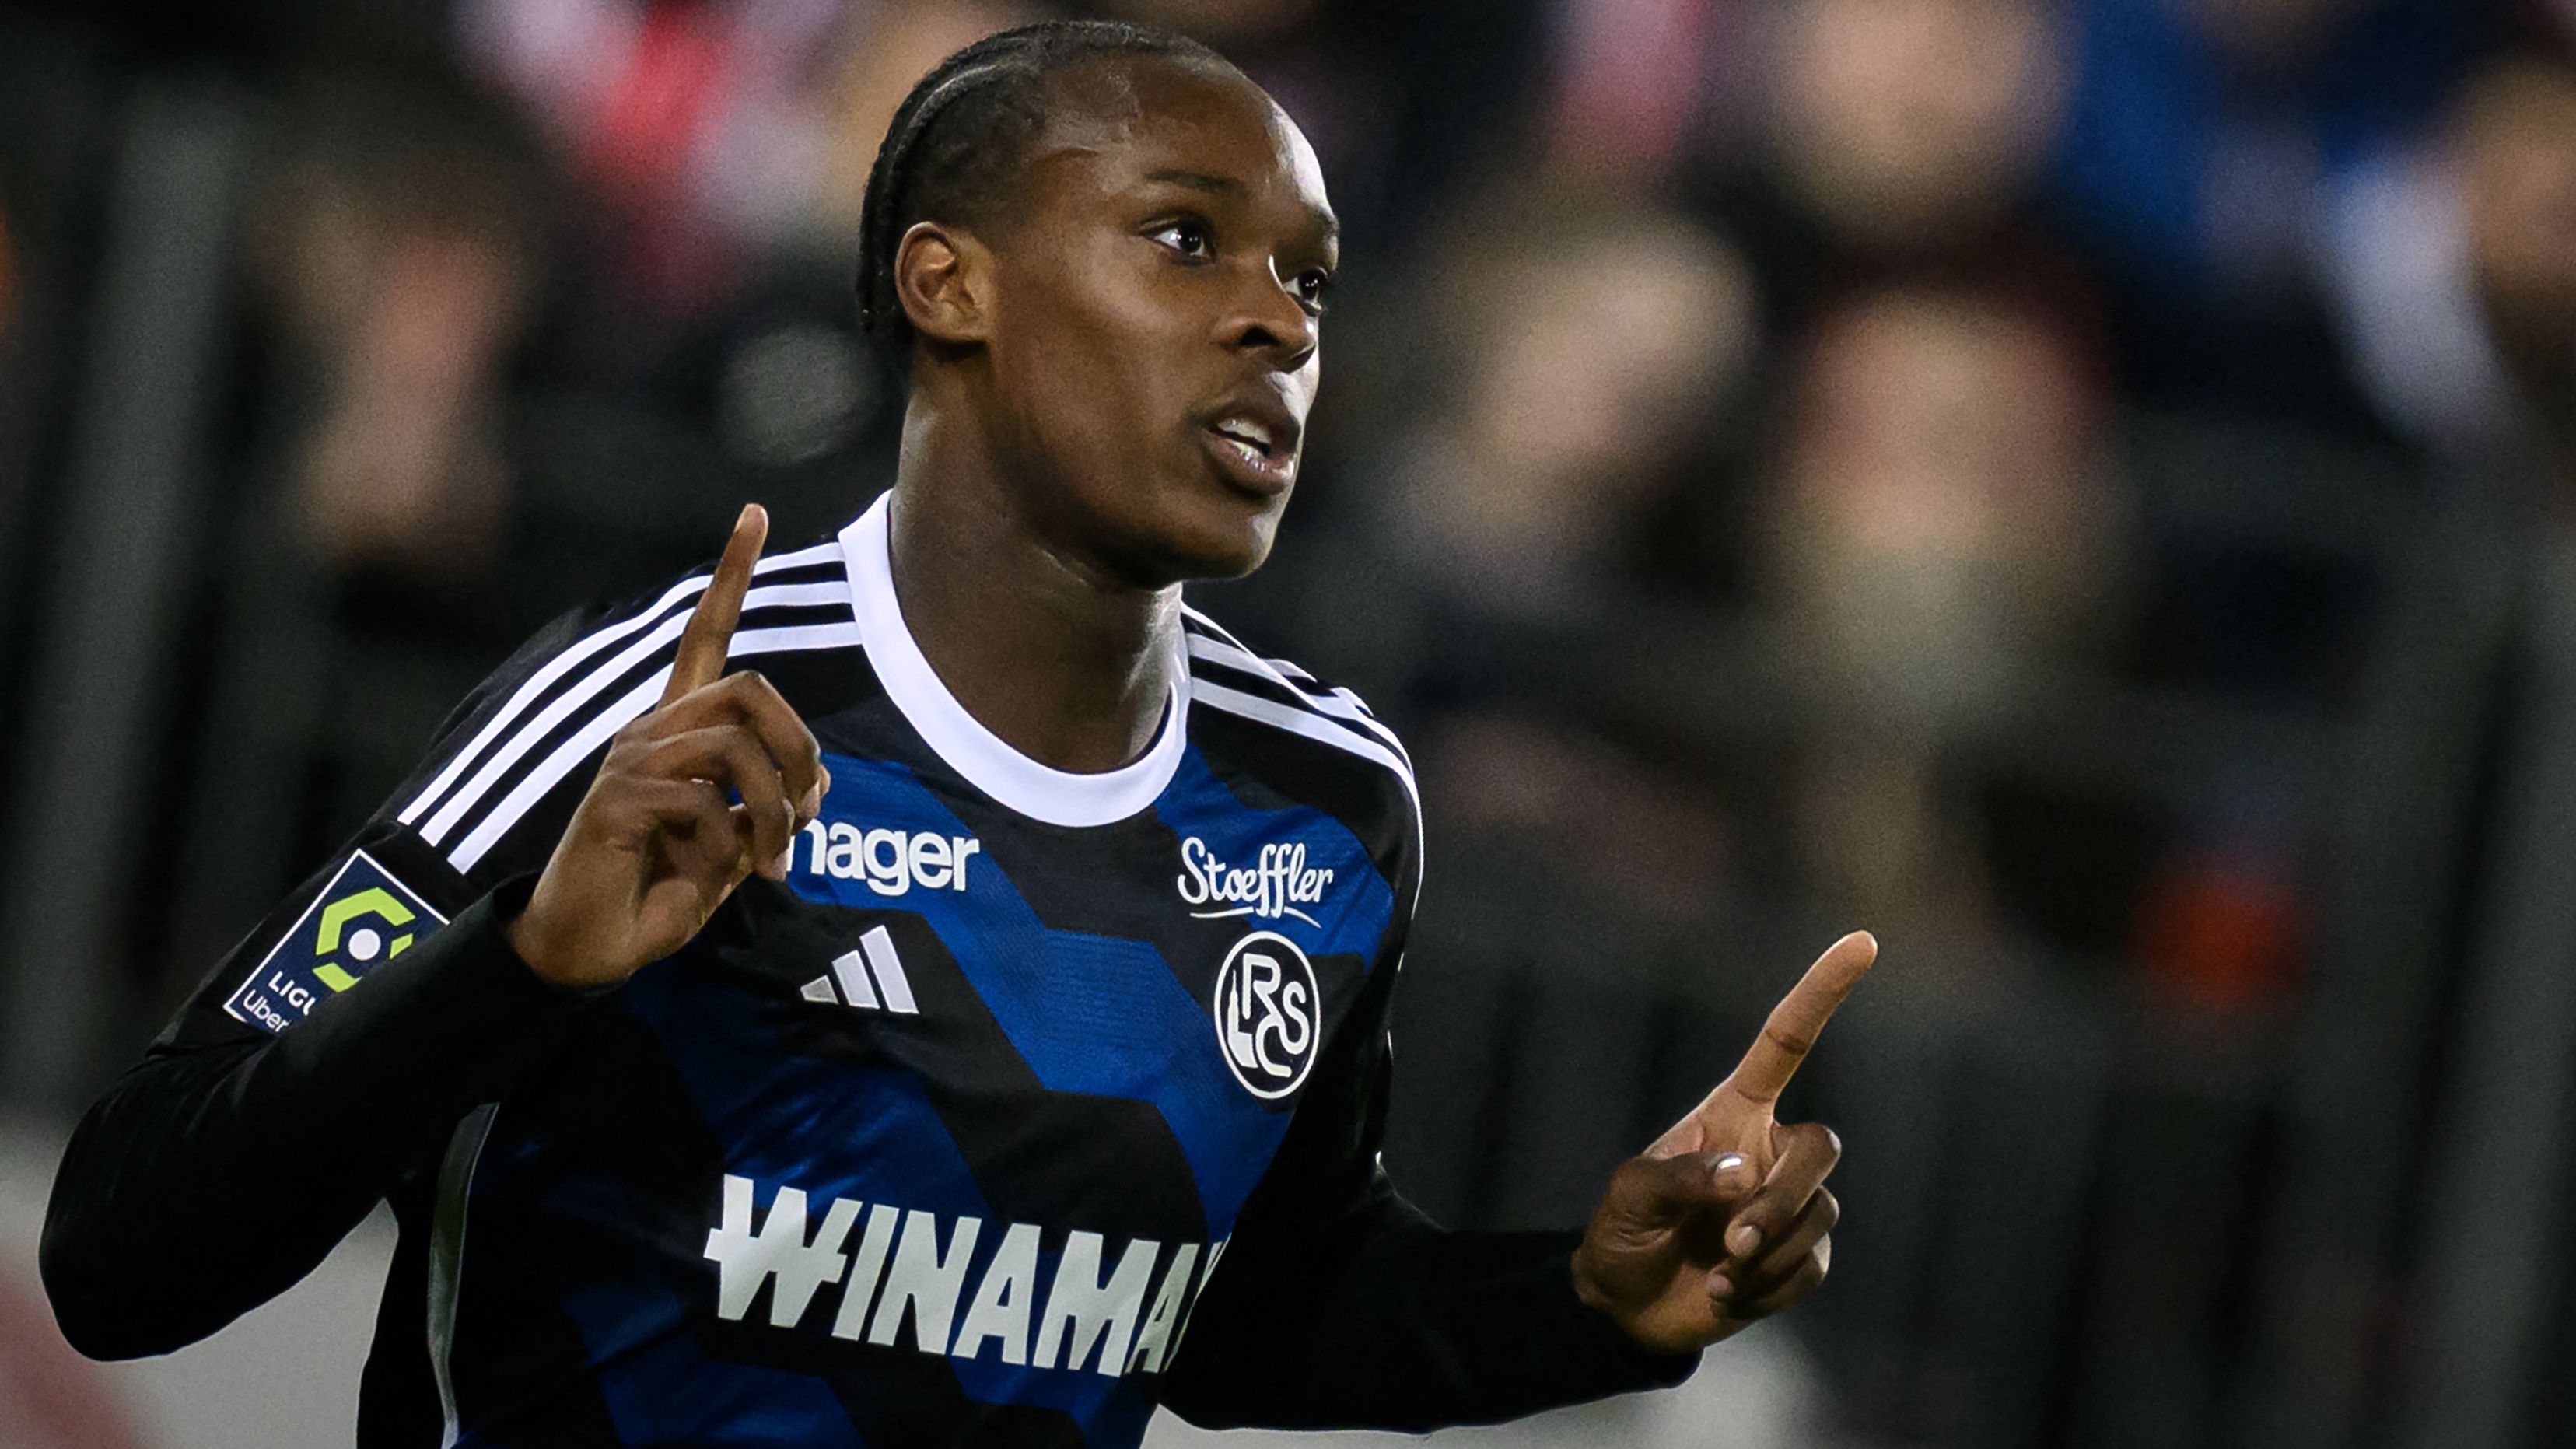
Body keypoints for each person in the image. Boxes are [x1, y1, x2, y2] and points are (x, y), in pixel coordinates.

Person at [40, 20, 1869, 1446]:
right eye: (1186, 240)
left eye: (1310, 279)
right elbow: (122, 1243)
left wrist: (1583, 1306)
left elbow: (1242, 1315)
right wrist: (516, 967)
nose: (1272, 322)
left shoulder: (1327, 802)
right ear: (949, 283)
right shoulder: (661, 705)